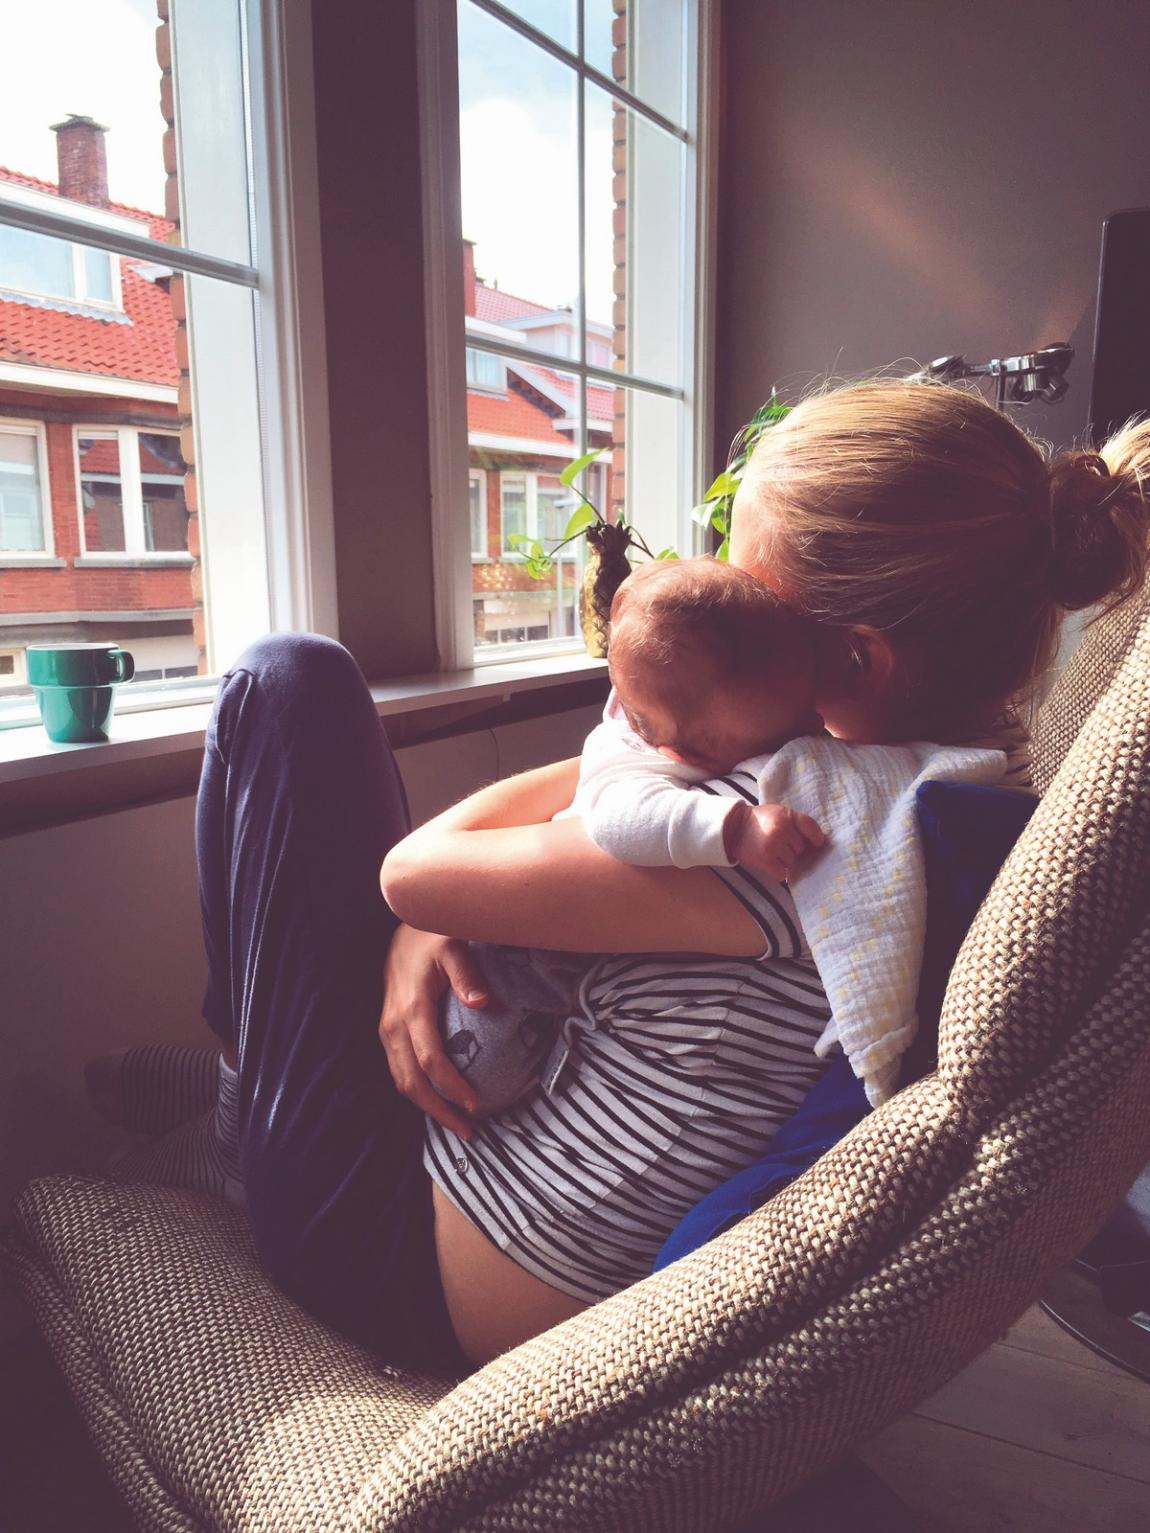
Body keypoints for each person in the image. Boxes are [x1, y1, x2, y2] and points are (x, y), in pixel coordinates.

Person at [93, 378, 1150, 1377]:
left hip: (407, 1272)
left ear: (859, 661)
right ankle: (241, 1091)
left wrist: (429, 917)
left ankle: (236, 1127)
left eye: (744, 600)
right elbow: (550, 834)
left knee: (285, 681)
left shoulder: (798, 842)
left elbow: (414, 873)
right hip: (487, 1192)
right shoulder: (944, 799)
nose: (707, 602)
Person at [431, 556, 828, 1123]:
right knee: (484, 1074)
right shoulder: (631, 762)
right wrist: (735, 827)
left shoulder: (673, 709)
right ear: (682, 751)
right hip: (520, 956)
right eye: (760, 743)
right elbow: (620, 824)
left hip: (571, 942)